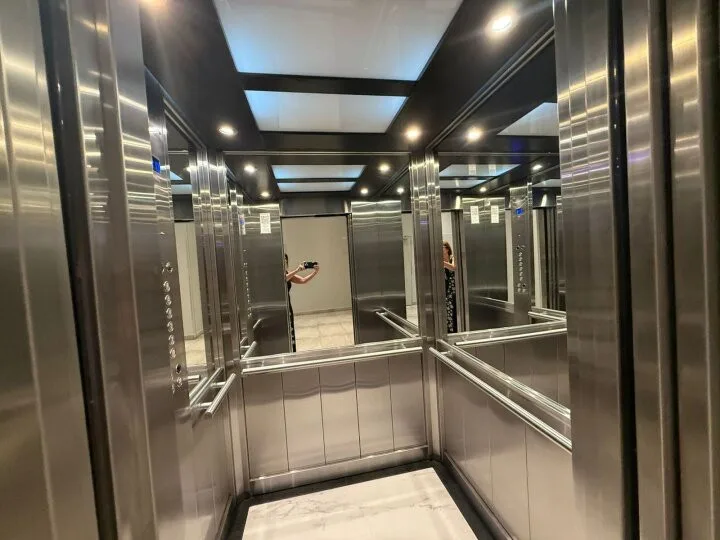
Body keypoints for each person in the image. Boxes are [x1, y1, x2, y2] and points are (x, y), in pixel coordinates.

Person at [285, 254, 320, 352]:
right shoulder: (277, 274)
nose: (285, 263)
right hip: (280, 308)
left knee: (290, 329)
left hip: (287, 305)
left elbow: (302, 280)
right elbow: (283, 279)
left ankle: (292, 352)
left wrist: (315, 272)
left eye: (286, 261)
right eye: (283, 261)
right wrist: (297, 270)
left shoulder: (288, 273)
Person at [443, 241, 457, 333]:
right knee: (448, 311)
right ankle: (449, 330)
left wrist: (442, 263)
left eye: (441, 247)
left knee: (454, 309)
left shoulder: (453, 258)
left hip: (454, 288)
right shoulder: (440, 260)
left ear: (447, 249)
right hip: (446, 288)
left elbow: (454, 267)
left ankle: (455, 329)